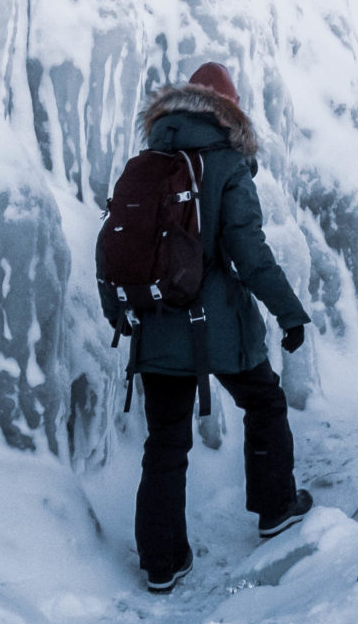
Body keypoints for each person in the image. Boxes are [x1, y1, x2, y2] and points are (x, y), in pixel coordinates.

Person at [102, 61, 314, 594]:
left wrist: (121, 313)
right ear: (228, 110)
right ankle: (276, 508)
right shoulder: (225, 162)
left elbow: (120, 243)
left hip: (155, 324)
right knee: (264, 402)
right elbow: (249, 252)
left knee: (165, 443)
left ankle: (162, 562)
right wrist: (289, 312)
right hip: (218, 325)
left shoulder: (148, 159)